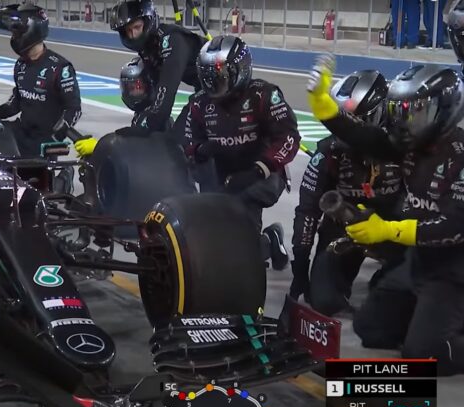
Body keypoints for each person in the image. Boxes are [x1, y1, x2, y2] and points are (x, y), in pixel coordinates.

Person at [308, 55, 464, 375]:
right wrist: (324, 105)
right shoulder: (412, 145)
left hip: (454, 271)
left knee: (423, 357)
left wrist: (388, 230)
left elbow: (455, 226)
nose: (405, 122)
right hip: (419, 263)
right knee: (371, 330)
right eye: (401, 111)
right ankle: (432, 320)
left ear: (445, 109)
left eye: (415, 112)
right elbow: (365, 136)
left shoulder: (459, 156)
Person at [290, 69, 406, 316]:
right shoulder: (329, 153)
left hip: (394, 230)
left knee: (398, 300)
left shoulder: (406, 145)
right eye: (340, 121)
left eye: (354, 121)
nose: (345, 131)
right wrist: (300, 264)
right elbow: (307, 211)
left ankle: (390, 276)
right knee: (323, 302)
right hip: (345, 229)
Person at [183, 35, 300, 270]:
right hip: (222, 176)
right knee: (212, 241)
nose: (214, 83)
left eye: (220, 76)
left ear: (241, 70)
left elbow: (289, 137)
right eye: (208, 77)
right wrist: (201, 150)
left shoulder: (264, 95)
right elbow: (188, 141)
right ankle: (268, 240)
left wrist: (259, 170)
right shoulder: (198, 104)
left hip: (263, 173)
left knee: (238, 247)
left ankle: (264, 242)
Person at [0, 3, 82, 158]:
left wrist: (57, 136)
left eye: (16, 33)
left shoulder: (60, 68)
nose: (13, 38)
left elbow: (73, 109)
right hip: (22, 132)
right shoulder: (20, 64)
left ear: (31, 31)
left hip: (44, 140)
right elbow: (16, 102)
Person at [108, 0, 207, 135]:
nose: (133, 35)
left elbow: (167, 91)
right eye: (129, 31)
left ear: (148, 21)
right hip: (206, 88)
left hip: (221, 89)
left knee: (181, 136)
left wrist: (144, 128)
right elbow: (154, 93)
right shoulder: (148, 49)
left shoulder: (172, 39)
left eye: (137, 27)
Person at [74, 56, 164, 156]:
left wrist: (99, 147)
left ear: (150, 85)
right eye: (130, 88)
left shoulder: (155, 117)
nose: (133, 93)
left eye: (138, 87)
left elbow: (139, 148)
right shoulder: (140, 115)